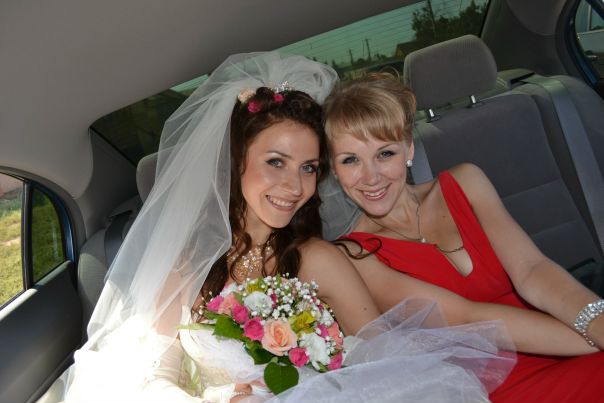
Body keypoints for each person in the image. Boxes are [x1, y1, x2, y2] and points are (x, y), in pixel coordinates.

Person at [39, 53, 514, 403]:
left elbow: (379, 353)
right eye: (276, 162)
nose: (295, 185)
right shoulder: (187, 267)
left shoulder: (317, 259)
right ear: (237, 162)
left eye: (309, 168)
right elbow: (156, 374)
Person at [320, 72, 604, 403]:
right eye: (350, 160)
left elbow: (532, 269)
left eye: (385, 154)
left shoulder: (466, 182)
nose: (371, 177)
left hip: (557, 338)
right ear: (334, 169)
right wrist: (593, 338)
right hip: (489, 385)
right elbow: (470, 319)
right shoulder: (354, 255)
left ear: (409, 148)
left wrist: (595, 321)